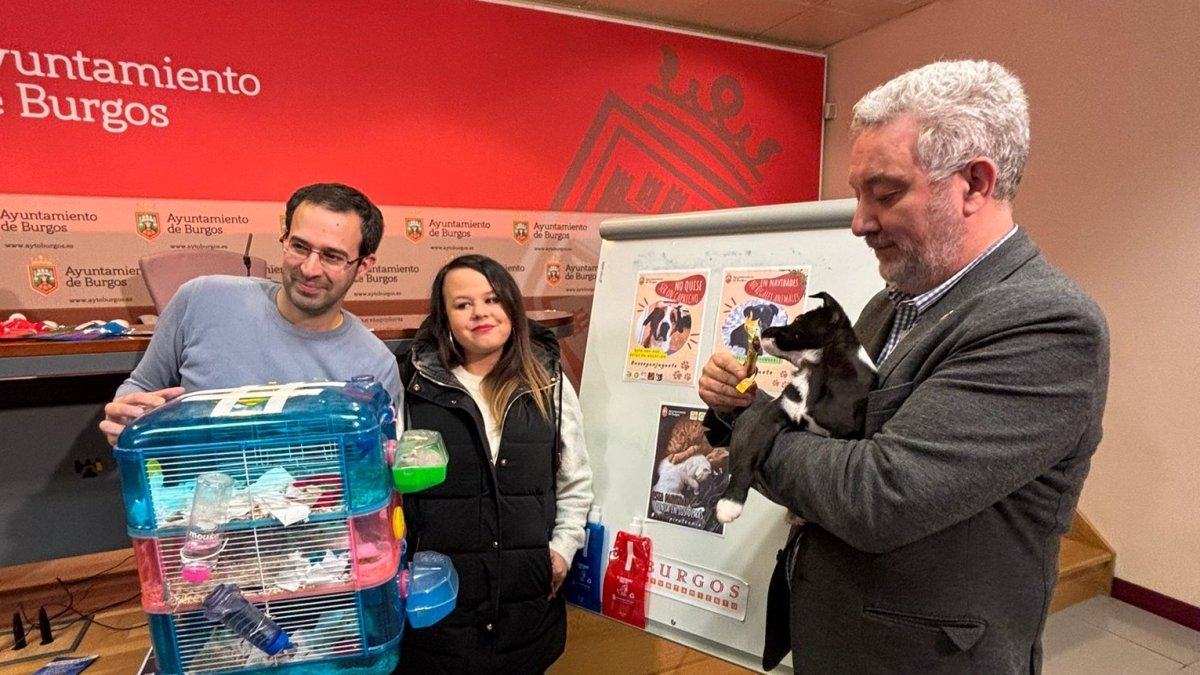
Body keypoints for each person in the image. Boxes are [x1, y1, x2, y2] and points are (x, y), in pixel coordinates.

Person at [699, 60, 1109, 674]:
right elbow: (828, 429)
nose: (860, 222)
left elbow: (878, 497)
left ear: (974, 184)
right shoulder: (889, 305)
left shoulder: (1046, 323)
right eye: (858, 195)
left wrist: (751, 433)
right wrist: (739, 406)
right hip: (838, 640)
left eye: (885, 194)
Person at [396, 254, 593, 673]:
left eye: (492, 299)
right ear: (444, 317)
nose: (480, 313)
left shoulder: (550, 384)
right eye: (462, 304)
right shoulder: (412, 387)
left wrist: (561, 550)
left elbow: (575, 481)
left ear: (512, 307)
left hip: (525, 608)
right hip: (441, 613)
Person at [100, 182, 399, 445]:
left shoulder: (374, 364)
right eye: (299, 246)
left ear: (363, 266)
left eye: (332, 256)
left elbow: (378, 465)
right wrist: (127, 414)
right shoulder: (201, 300)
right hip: (192, 500)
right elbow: (141, 387)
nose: (309, 269)